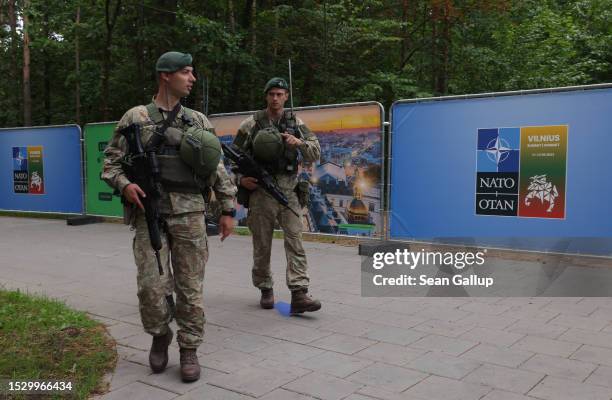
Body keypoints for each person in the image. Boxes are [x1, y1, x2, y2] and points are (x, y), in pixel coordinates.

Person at [102, 51, 237, 382]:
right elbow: (110, 164)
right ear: (166, 75)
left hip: (190, 214)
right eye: (186, 73)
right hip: (150, 214)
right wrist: (125, 184)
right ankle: (160, 333)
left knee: (191, 288)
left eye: (192, 73)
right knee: (151, 286)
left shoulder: (198, 120)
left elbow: (216, 169)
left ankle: (189, 348)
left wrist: (228, 208)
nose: (192, 79)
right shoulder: (135, 118)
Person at [232, 77, 322, 314]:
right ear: (266, 96)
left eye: (279, 94)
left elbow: (315, 152)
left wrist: (299, 143)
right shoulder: (251, 123)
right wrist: (240, 180)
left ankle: (299, 293)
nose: (275, 98)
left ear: (286, 96)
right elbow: (232, 157)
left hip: (289, 191)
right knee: (262, 245)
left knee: (295, 240)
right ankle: (265, 287)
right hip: (261, 192)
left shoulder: (296, 123)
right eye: (271, 94)